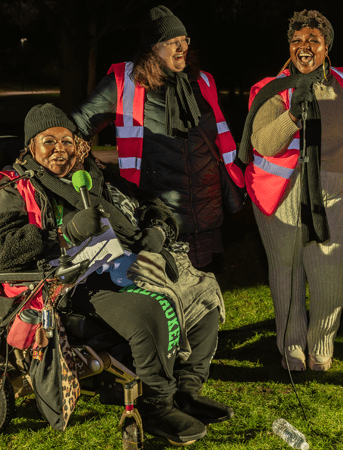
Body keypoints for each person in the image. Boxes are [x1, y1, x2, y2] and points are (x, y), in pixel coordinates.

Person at [0, 104, 233, 445]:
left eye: (67, 141)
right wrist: (63, 233)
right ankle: (157, 406)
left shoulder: (92, 175)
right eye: (49, 141)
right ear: (31, 148)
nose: (60, 149)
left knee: (203, 294)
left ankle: (185, 391)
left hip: (124, 262)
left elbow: (147, 203)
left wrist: (157, 228)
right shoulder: (13, 188)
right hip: (69, 280)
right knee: (151, 311)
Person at [237, 10, 343, 372]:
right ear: (289, 48)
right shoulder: (272, 87)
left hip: (332, 191)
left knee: (331, 271)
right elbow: (262, 142)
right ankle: (291, 344)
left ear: (326, 47)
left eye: (312, 40)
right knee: (285, 272)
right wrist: (291, 117)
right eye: (297, 40)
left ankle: (321, 344)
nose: (304, 46)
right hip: (281, 195)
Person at [71, 5, 242, 269]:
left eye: (184, 39)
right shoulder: (125, 82)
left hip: (205, 217)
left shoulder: (203, 81)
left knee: (202, 294)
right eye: (172, 41)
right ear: (153, 47)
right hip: (158, 220)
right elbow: (77, 126)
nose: (181, 46)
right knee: (164, 297)